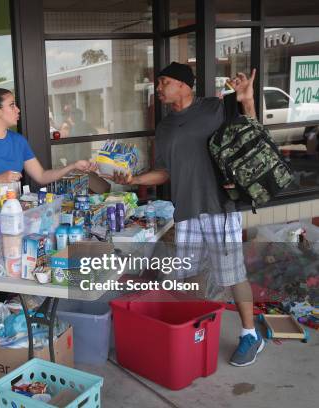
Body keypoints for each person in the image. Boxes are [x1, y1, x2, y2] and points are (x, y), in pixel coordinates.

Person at [102, 62, 264, 367]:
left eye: (164, 82)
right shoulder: (164, 128)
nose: (159, 88)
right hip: (187, 210)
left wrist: (247, 100)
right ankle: (191, 329)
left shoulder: (216, 108)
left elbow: (252, 136)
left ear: (184, 85)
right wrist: (133, 180)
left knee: (232, 274)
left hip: (219, 206)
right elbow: (164, 172)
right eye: (158, 82)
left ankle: (250, 335)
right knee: (185, 276)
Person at [0, 88, 95, 374]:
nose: (17, 110)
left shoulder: (18, 141)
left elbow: (41, 176)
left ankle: (4, 344)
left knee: (13, 283)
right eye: (12, 105)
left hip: (13, 223)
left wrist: (72, 168)